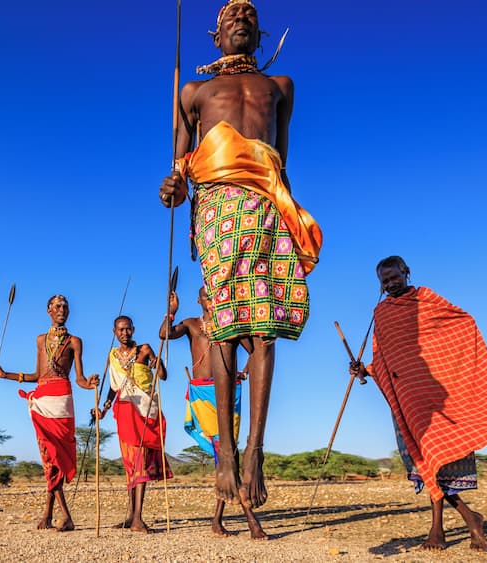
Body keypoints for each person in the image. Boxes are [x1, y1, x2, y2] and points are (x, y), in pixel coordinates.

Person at [158, 0, 323, 522]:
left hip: (268, 208)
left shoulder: (282, 88)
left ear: (259, 33)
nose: (241, 22)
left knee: (265, 332)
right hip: (218, 207)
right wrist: (173, 188)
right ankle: (225, 451)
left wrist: (292, 219)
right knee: (226, 330)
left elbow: (281, 160)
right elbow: (181, 166)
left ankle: (255, 450)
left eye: (249, 18)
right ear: (214, 36)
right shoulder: (193, 92)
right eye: (231, 18)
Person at [349, 256, 487, 552]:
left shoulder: (426, 299)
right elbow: (384, 358)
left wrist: (448, 365)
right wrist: (364, 370)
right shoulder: (382, 313)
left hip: (442, 400)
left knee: (439, 458)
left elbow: (463, 322)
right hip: (409, 400)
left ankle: (445, 527)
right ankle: (460, 521)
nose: (390, 284)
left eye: (394, 277)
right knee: (426, 461)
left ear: (406, 273)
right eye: (384, 281)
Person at [159, 288, 261, 538]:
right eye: (208, 295)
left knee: (229, 452)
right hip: (203, 394)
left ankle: (220, 519)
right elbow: (164, 334)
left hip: (229, 392)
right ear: (199, 300)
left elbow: (256, 351)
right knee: (222, 452)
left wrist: (245, 371)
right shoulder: (192, 325)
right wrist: (171, 312)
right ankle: (248, 518)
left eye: (217, 295)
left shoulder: (231, 324)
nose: (212, 299)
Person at [0, 295, 98, 532]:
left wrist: (89, 384)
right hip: (42, 398)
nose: (62, 310)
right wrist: (4, 374)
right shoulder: (40, 340)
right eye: (58, 306)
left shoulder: (74, 342)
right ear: (49, 310)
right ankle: (53, 515)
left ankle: (60, 515)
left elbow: (79, 378)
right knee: (49, 458)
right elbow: (36, 375)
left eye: (66, 306)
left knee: (57, 456)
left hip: (62, 401)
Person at [93, 315, 171, 533]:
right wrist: (104, 409)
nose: (124, 333)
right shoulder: (112, 356)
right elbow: (112, 387)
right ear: (114, 332)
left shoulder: (144, 349)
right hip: (124, 409)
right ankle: (131, 516)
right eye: (120, 330)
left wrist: (158, 363)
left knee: (140, 462)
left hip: (143, 410)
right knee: (130, 464)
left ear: (133, 330)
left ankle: (138, 517)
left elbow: (162, 376)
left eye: (128, 329)